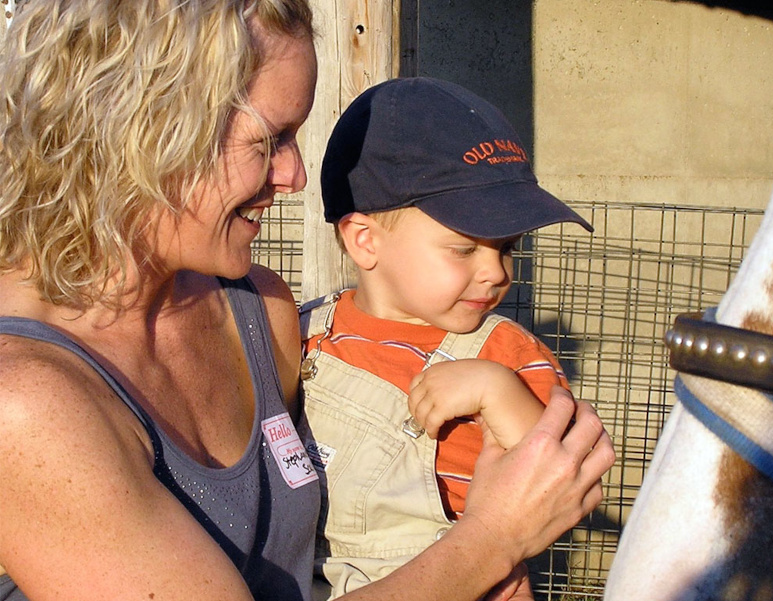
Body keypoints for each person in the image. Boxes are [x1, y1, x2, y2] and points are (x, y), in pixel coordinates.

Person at [0, 2, 615, 601]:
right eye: (270, 140)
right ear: (145, 130)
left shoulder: (259, 311)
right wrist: (490, 543)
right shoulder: (24, 404)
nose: (295, 175)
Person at [300, 77, 595, 600]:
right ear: (364, 241)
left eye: (507, 248)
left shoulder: (504, 353)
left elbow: (565, 475)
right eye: (464, 250)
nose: (496, 272)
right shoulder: (305, 333)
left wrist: (497, 391)